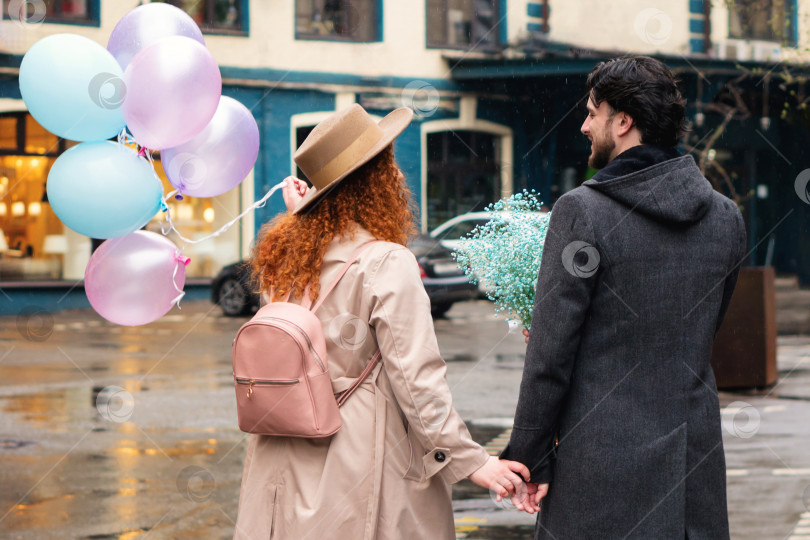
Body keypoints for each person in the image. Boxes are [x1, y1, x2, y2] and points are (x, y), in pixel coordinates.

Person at [234, 103, 532, 540]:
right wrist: (473, 461)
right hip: (358, 463)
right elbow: (417, 380)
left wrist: (302, 214)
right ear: (378, 180)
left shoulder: (285, 259)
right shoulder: (386, 261)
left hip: (278, 459)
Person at [500, 56, 745, 538]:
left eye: (593, 112)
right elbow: (703, 330)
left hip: (599, 470)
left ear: (624, 121)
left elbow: (551, 356)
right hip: (692, 469)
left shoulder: (581, 212)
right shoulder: (725, 216)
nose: (585, 125)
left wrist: (527, 456)